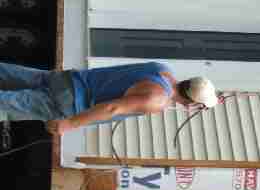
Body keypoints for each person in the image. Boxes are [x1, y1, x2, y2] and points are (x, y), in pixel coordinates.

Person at [0, 61, 219, 135]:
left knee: (6, 74)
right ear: (191, 103)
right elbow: (112, 108)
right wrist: (70, 124)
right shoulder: (158, 100)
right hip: (68, 102)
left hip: (66, 79)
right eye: (198, 106)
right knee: (6, 104)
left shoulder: (161, 69)